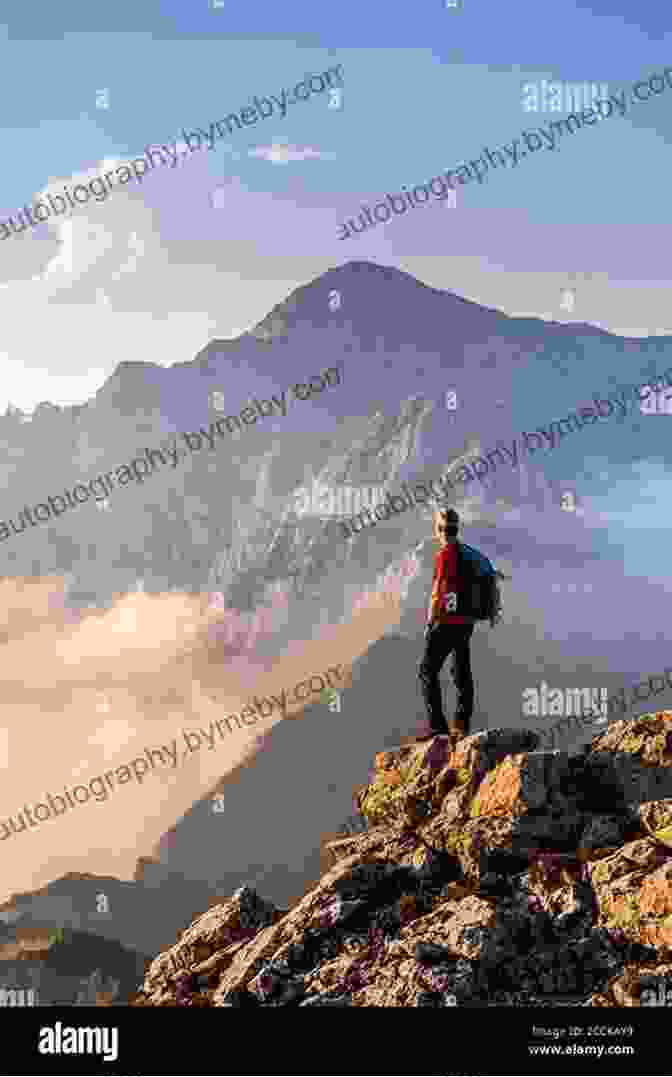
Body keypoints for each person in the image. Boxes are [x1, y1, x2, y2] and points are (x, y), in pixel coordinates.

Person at [417, 508, 502, 741]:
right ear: (458, 528)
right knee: (460, 671)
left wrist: (430, 621)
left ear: (438, 530)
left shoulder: (445, 555)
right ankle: (461, 725)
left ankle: (438, 728)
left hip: (445, 621)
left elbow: (437, 593)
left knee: (427, 670)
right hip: (466, 622)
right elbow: (490, 576)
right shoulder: (470, 555)